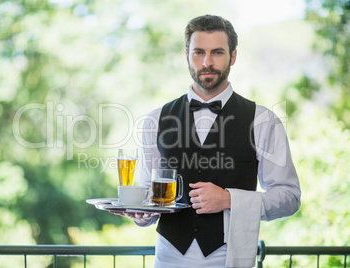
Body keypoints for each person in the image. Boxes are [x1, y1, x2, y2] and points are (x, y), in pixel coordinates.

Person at [113, 14, 301, 268]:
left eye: (217, 53)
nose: (207, 62)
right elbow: (150, 195)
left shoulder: (264, 121)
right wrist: (141, 213)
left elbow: (289, 197)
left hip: (230, 258)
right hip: (168, 259)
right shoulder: (155, 119)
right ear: (187, 55)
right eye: (199, 52)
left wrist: (229, 199)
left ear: (233, 56)